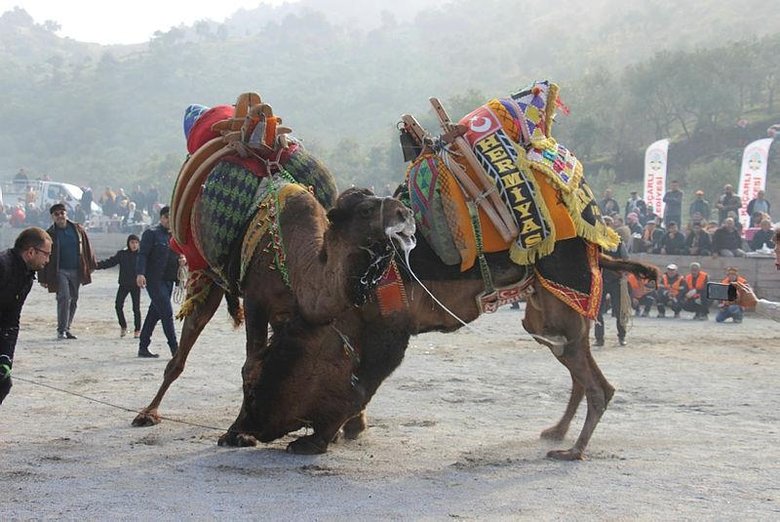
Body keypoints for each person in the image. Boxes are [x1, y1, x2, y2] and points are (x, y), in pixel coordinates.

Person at [1, 227, 53, 405]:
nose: (48, 260)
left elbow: (11, 320)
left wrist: (6, 356)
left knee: (3, 384)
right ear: (31, 252)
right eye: (46, 254)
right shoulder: (3, 266)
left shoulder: (27, 277)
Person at [37, 203, 97, 339]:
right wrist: (42, 278)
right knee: (63, 297)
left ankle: (67, 327)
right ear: (52, 217)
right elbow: (42, 255)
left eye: (62, 213)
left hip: (76, 269)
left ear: (66, 214)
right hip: (59, 271)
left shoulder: (78, 229)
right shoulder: (49, 234)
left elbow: (87, 247)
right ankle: (61, 330)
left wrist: (91, 265)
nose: (60, 216)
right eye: (56, 214)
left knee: (74, 299)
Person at [136, 206, 181, 358]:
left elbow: (178, 254)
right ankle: (175, 349)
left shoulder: (174, 236)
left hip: (169, 280)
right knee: (167, 312)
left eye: (171, 217)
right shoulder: (151, 233)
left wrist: (182, 260)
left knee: (154, 313)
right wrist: (140, 273)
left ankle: (143, 346)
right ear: (161, 218)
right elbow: (142, 254)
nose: (169, 220)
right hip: (155, 280)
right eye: (166, 217)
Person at [97, 234, 142, 338]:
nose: (134, 245)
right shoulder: (122, 254)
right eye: (132, 242)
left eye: (136, 243)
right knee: (118, 306)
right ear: (128, 243)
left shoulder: (141, 256)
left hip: (136, 285)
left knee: (136, 308)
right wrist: (97, 265)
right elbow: (110, 262)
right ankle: (123, 326)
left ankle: (137, 330)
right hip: (124, 284)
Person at [594, 241, 629, 347]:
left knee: (619, 310)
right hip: (601, 280)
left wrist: (623, 272)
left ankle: (622, 336)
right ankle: (599, 338)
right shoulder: (598, 243)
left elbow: (625, 260)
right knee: (597, 311)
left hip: (616, 281)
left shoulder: (619, 244)